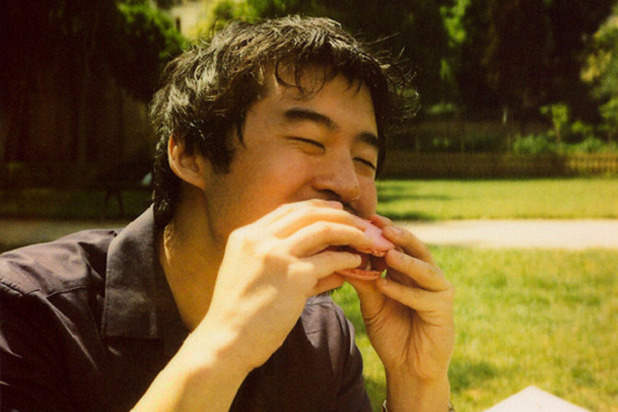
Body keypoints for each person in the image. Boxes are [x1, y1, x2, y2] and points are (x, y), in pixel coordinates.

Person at [0, 16, 455, 411]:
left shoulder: (322, 336)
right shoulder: (28, 311)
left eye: (364, 160)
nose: (349, 184)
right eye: (309, 141)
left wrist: (418, 382)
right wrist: (226, 344)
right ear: (190, 154)